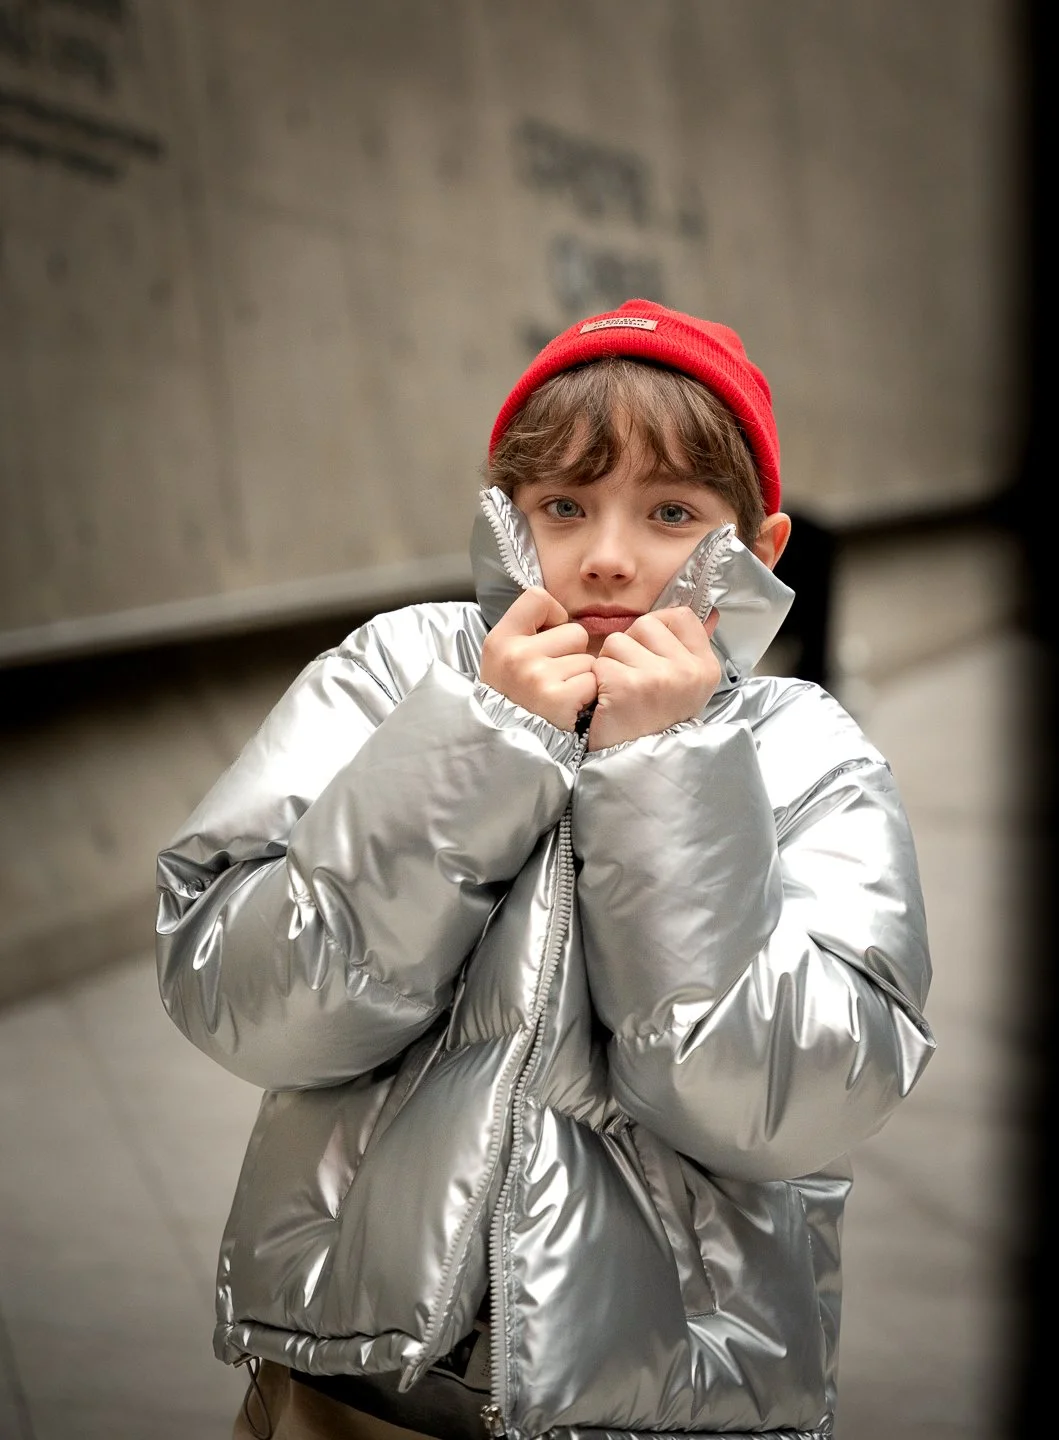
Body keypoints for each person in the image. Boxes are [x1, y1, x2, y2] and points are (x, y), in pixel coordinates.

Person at [155, 298, 935, 1440]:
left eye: (672, 512)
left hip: (669, 1404)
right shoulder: (396, 677)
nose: (609, 559)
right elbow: (247, 1001)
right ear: (507, 521)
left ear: (756, 549)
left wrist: (668, 769)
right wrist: (481, 746)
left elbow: (794, 1102)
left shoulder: (805, 752)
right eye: (564, 505)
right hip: (345, 1385)